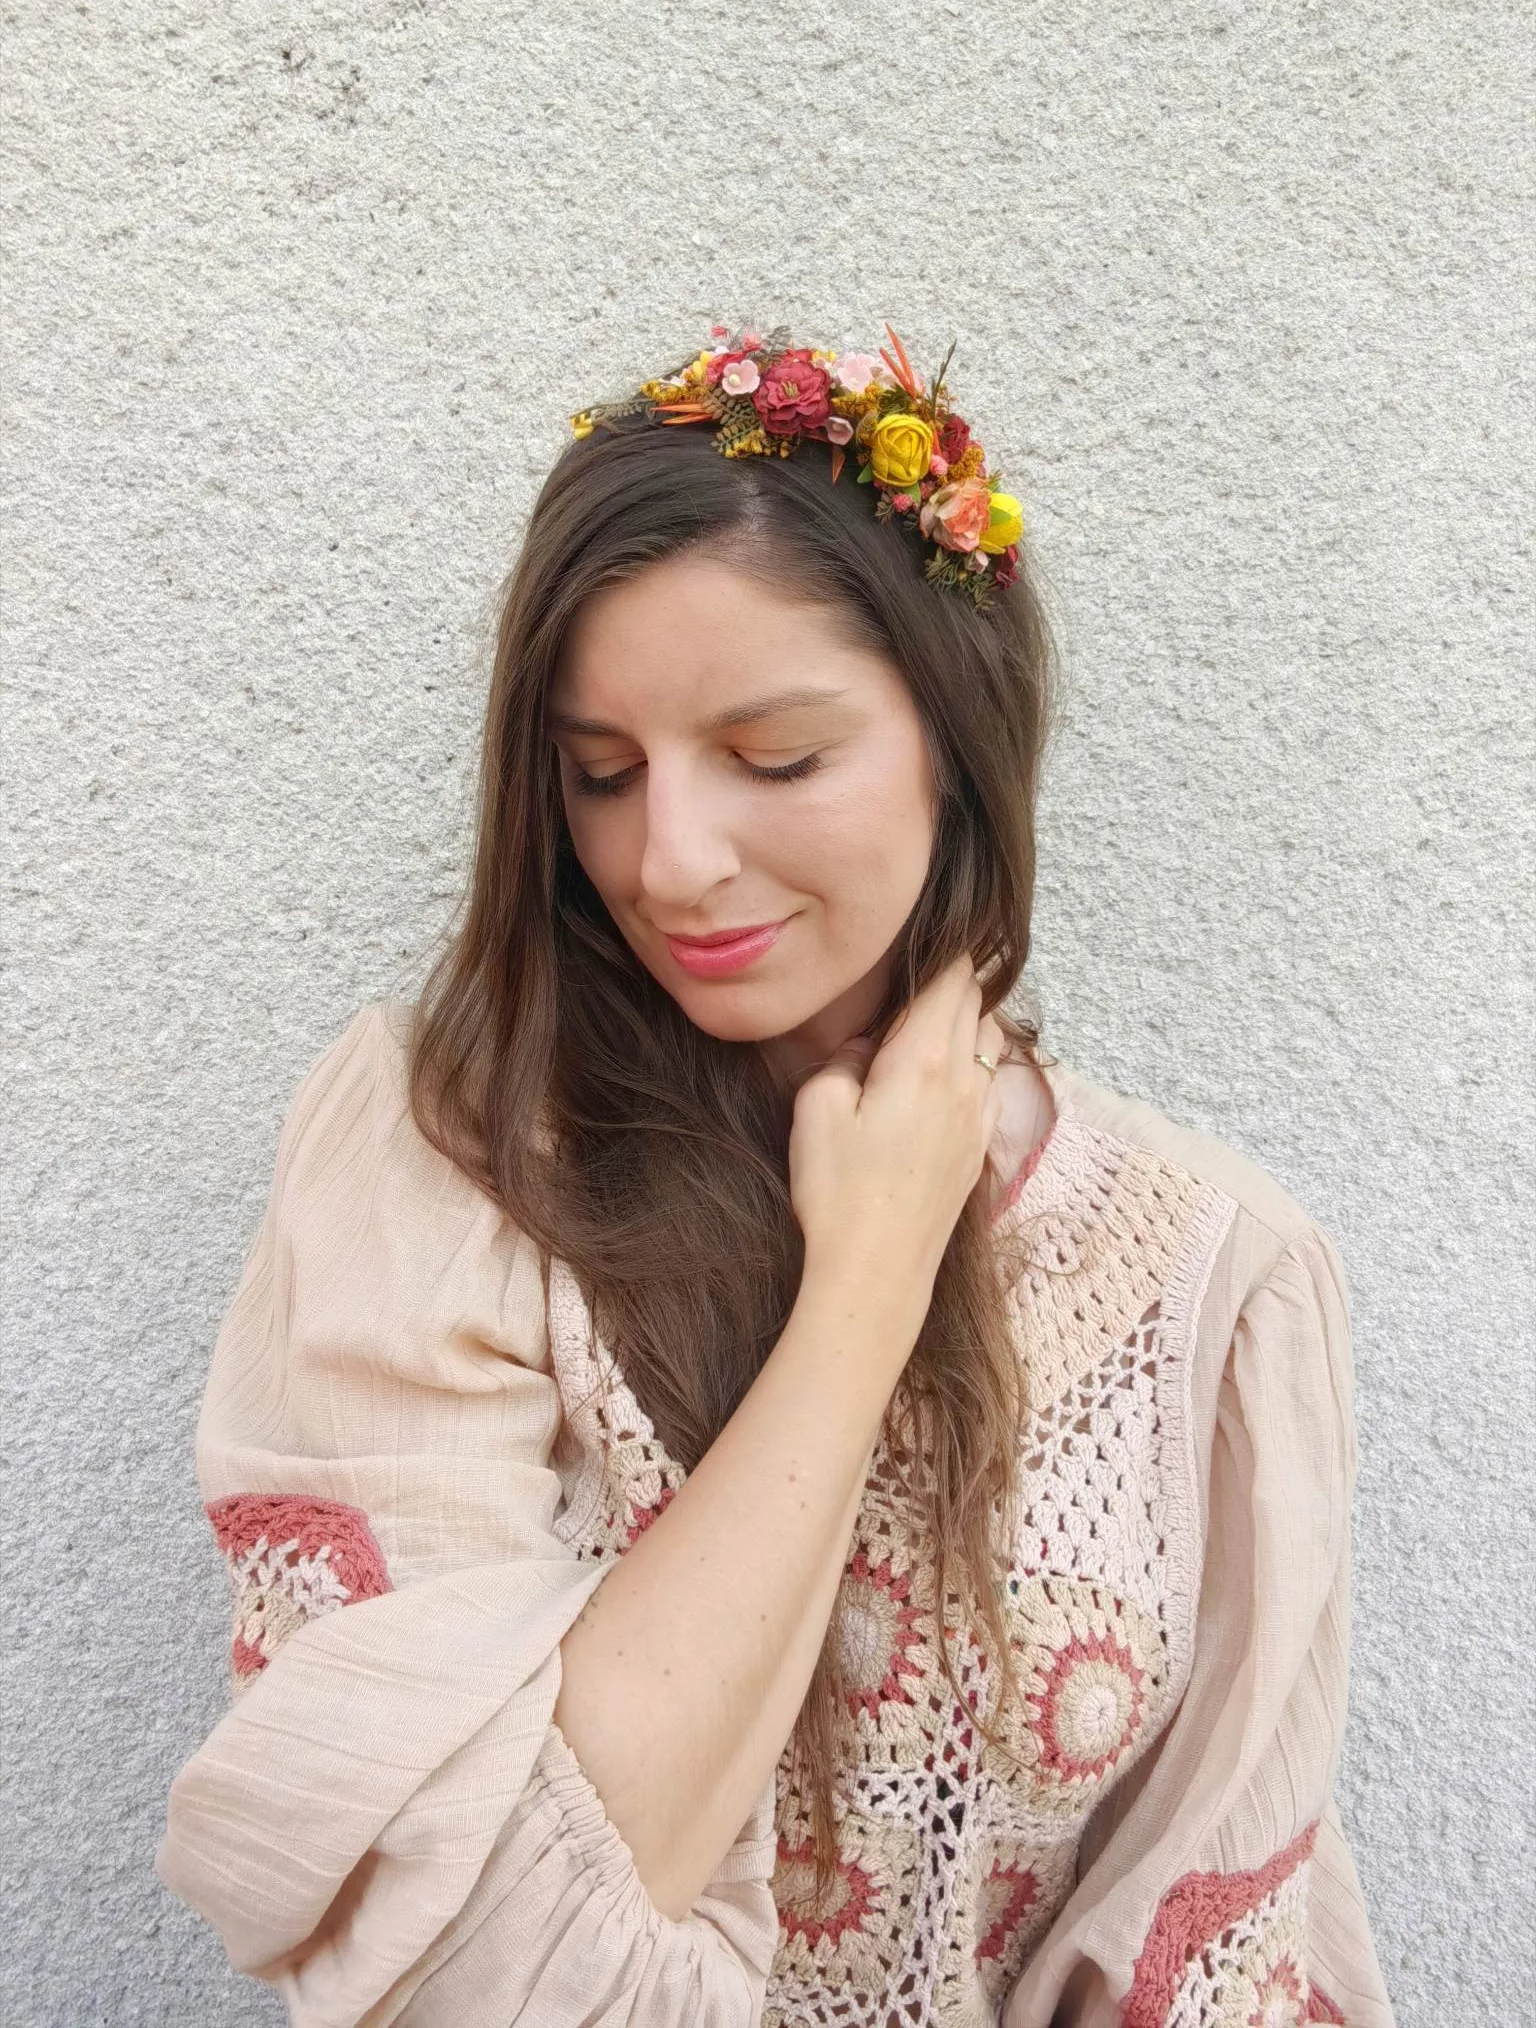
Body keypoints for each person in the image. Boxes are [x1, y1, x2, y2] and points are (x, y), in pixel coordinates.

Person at [155, 324, 1395, 2027]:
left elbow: (1201, 1941)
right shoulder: (445, 1161)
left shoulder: (1213, 1274)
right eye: (599, 775)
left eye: (777, 758)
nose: (666, 860)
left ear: (957, 742)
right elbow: (480, 1962)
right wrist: (865, 1294)